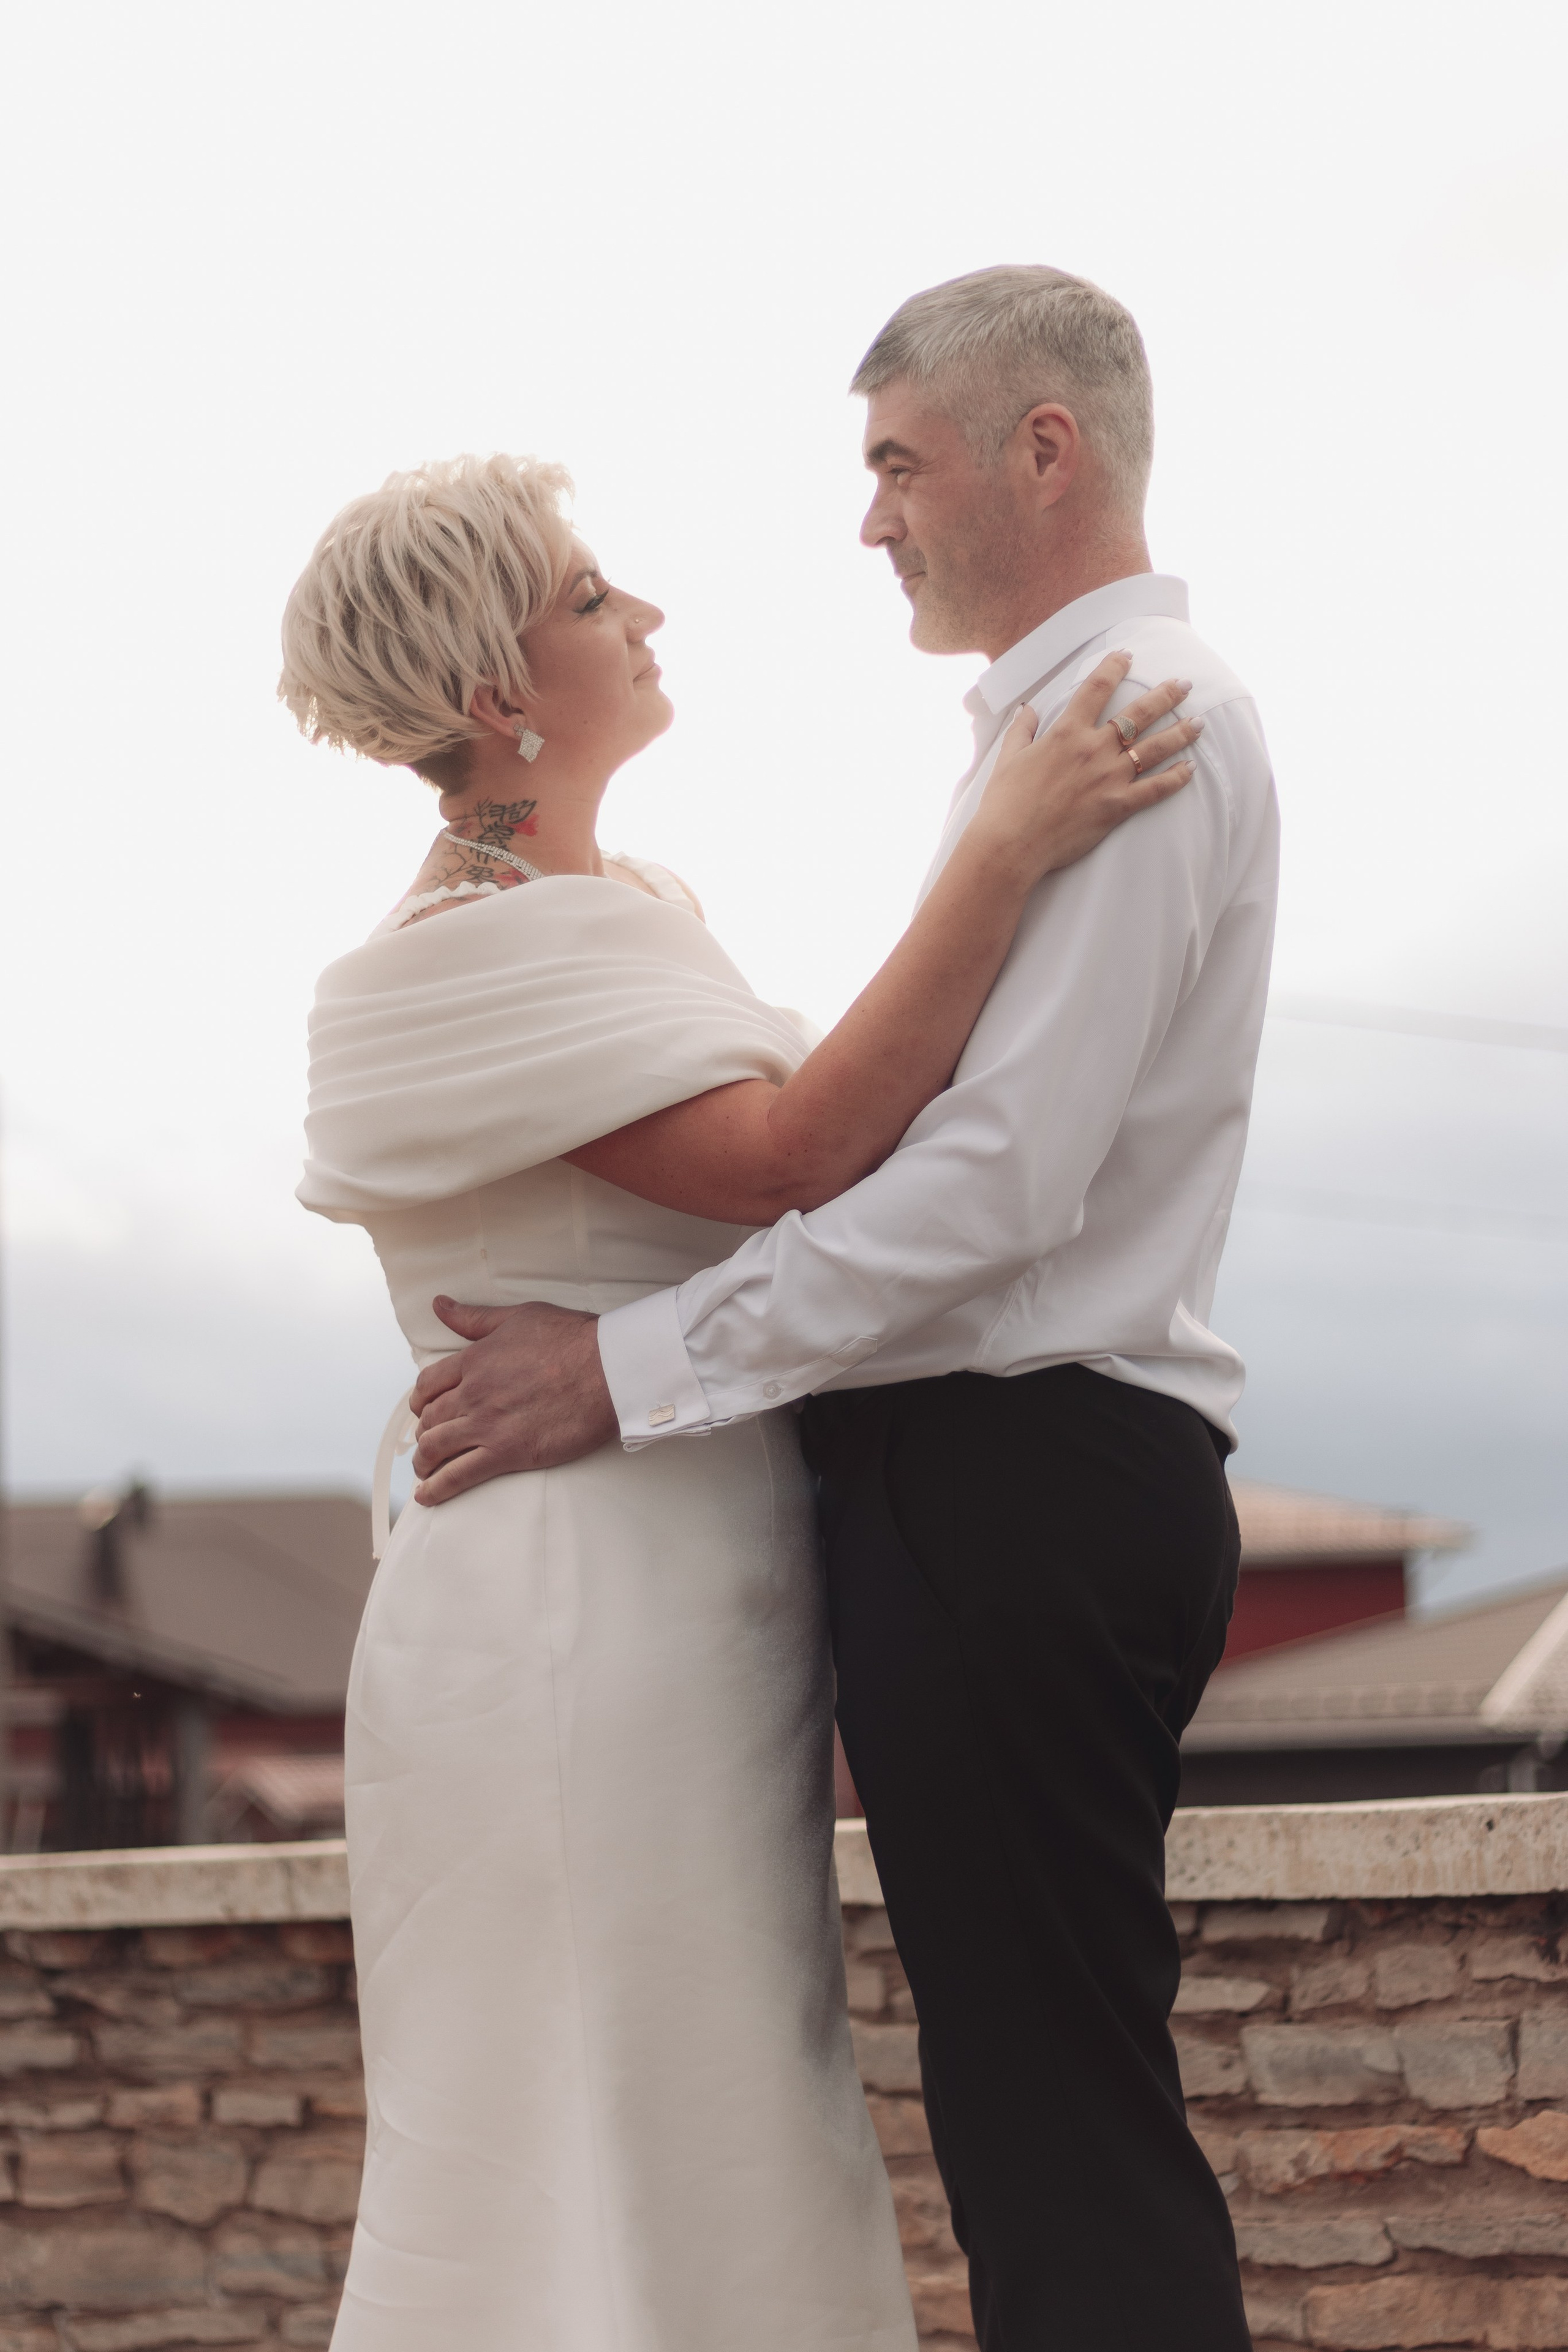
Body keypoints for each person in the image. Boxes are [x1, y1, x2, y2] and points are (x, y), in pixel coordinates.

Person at [408, 265, 1280, 2352]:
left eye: (897, 461)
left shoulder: (1129, 726)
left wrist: (622, 1374)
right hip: (1001, 1486)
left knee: (1060, 2141)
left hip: (1023, 1484)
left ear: (1039, 449)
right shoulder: (1054, 737)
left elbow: (994, 1187)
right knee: (1030, 2123)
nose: (868, 519)